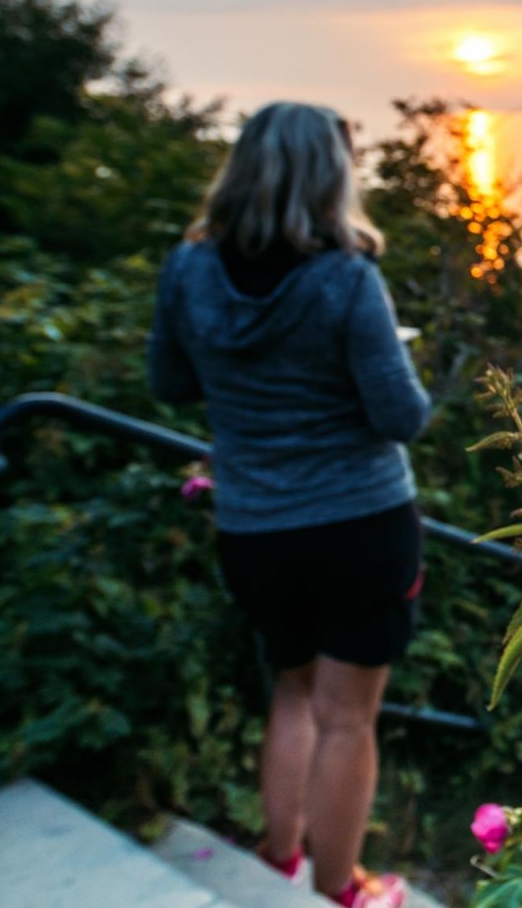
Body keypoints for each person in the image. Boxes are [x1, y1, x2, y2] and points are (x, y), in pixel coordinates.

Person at [147, 101, 430, 908]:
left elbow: (169, 382)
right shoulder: (347, 280)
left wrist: (251, 390)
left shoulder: (187, 270)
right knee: (349, 717)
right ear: (330, 178)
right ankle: (342, 888)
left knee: (293, 688)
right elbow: (401, 416)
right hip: (359, 526)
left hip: (254, 526)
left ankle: (278, 857)